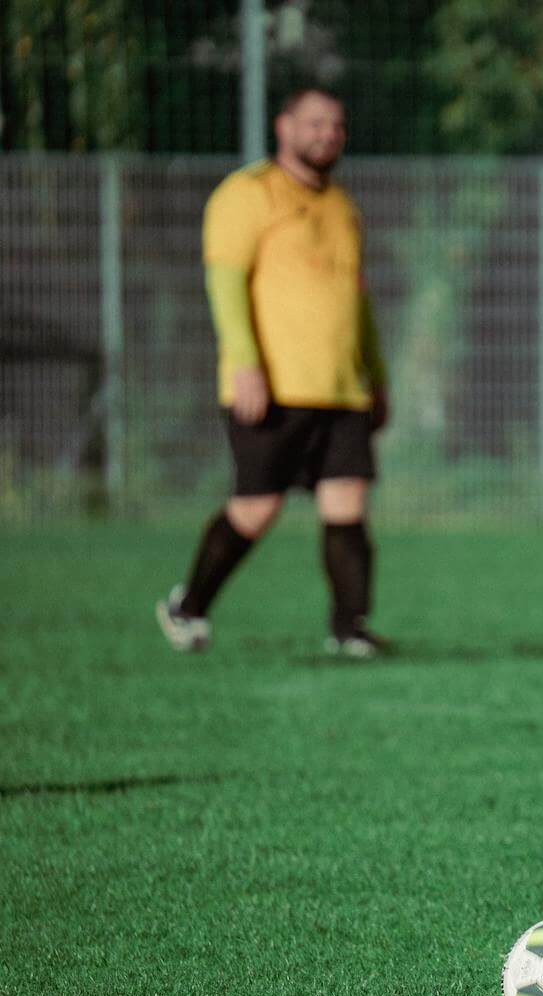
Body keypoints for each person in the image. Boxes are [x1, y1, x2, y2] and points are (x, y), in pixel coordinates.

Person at [156, 87, 389, 658]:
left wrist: (377, 377)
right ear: (283, 127)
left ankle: (348, 629)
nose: (327, 134)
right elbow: (226, 283)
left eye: (336, 125)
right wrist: (244, 364)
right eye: (314, 124)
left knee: (347, 507)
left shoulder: (342, 207)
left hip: (341, 387)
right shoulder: (247, 194)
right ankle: (187, 609)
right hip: (274, 386)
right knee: (257, 508)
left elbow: (357, 302)